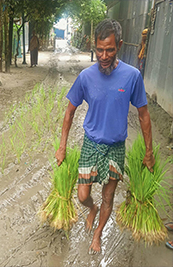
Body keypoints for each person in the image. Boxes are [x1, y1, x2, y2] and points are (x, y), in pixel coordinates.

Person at [55, 19, 155, 254]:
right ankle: (92, 208)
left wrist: (149, 153)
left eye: (109, 49)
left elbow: (144, 116)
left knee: (109, 196)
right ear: (94, 46)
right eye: (99, 49)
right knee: (82, 195)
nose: (103, 55)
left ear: (119, 45)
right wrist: (62, 147)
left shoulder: (132, 76)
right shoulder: (86, 77)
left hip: (116, 147)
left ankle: (98, 234)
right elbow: (70, 113)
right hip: (91, 143)